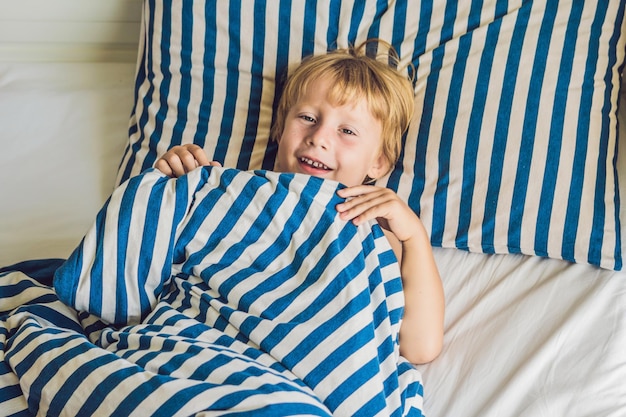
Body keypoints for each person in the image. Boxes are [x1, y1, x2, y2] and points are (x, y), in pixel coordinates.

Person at [155, 40, 444, 364]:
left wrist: (414, 236)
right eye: (307, 117)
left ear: (378, 163)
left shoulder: (373, 228)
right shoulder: (228, 189)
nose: (319, 137)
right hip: (192, 345)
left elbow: (420, 346)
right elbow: (149, 259)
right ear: (279, 129)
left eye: (347, 130)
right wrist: (170, 186)